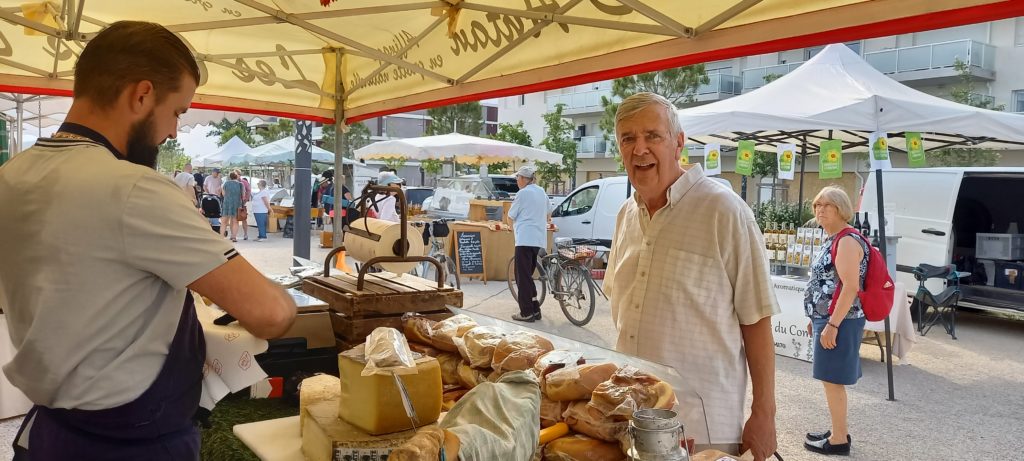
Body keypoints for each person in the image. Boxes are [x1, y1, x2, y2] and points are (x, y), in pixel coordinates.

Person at [0, 21, 296, 460]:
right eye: (177, 111)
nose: (174, 131)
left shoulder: (10, 178)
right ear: (141, 95)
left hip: (51, 433)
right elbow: (270, 315)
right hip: (132, 442)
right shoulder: (133, 187)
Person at [602, 93, 779, 459]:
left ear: (679, 142)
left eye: (653, 136)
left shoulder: (723, 210)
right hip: (632, 419)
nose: (640, 149)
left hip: (702, 426)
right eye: (628, 138)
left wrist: (764, 413)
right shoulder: (625, 216)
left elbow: (757, 319)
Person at [802, 186, 867, 456]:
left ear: (841, 209)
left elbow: (850, 287)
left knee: (832, 380)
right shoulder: (834, 238)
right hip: (829, 318)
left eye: (828, 205)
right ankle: (837, 430)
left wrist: (832, 324)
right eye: (818, 205)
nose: (821, 210)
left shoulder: (848, 240)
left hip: (840, 321)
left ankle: (839, 439)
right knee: (831, 379)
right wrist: (816, 318)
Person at [507, 165, 549, 322]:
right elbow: (549, 212)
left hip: (524, 238)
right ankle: (535, 309)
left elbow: (510, 216)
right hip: (538, 239)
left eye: (518, 178)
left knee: (522, 277)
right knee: (527, 275)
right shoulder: (541, 192)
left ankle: (526, 312)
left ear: (524, 179)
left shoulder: (522, 193)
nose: (517, 181)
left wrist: (510, 228)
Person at [221, 171, 244, 242]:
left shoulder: (226, 183)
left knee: (224, 221)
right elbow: (242, 195)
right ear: (236, 176)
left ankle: (221, 237)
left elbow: (223, 194)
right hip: (236, 204)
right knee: (235, 221)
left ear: (229, 177)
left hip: (227, 203)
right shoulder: (240, 184)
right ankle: (234, 237)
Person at [236, 169, 251, 240]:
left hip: (242, 202)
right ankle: (234, 235)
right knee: (234, 219)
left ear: (239, 175)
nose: (236, 176)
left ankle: (245, 234)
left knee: (243, 218)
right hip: (234, 203)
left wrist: (246, 199)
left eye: (237, 174)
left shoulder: (244, 182)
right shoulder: (230, 182)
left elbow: (249, 190)